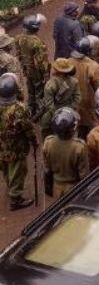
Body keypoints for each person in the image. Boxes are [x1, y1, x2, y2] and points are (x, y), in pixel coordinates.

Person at [0, 73, 36, 210]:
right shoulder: (19, 109)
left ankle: (11, 188)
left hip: (2, 146)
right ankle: (16, 199)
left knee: (6, 167)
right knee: (18, 170)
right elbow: (28, 129)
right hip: (17, 147)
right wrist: (34, 142)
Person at [42, 107, 89, 199]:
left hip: (56, 187)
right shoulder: (79, 147)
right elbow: (84, 175)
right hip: (74, 189)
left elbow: (47, 169)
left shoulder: (48, 142)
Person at [14, 14, 49, 117]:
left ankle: (30, 109)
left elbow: (19, 55)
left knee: (30, 90)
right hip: (36, 72)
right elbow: (41, 62)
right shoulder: (36, 41)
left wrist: (24, 67)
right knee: (39, 91)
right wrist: (45, 75)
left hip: (27, 69)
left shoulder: (18, 38)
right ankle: (39, 113)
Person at [70, 37, 99, 138]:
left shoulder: (68, 62)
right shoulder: (93, 66)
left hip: (74, 105)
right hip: (89, 108)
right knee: (94, 134)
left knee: (80, 130)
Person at [39, 57, 80, 138]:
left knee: (44, 125)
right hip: (69, 109)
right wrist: (70, 109)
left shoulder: (50, 85)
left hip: (53, 113)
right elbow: (77, 98)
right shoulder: (74, 81)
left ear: (57, 70)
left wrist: (58, 114)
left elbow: (49, 106)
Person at [0, 32, 25, 100]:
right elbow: (16, 79)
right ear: (5, 46)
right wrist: (21, 95)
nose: (10, 45)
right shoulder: (10, 60)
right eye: (8, 44)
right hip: (9, 94)